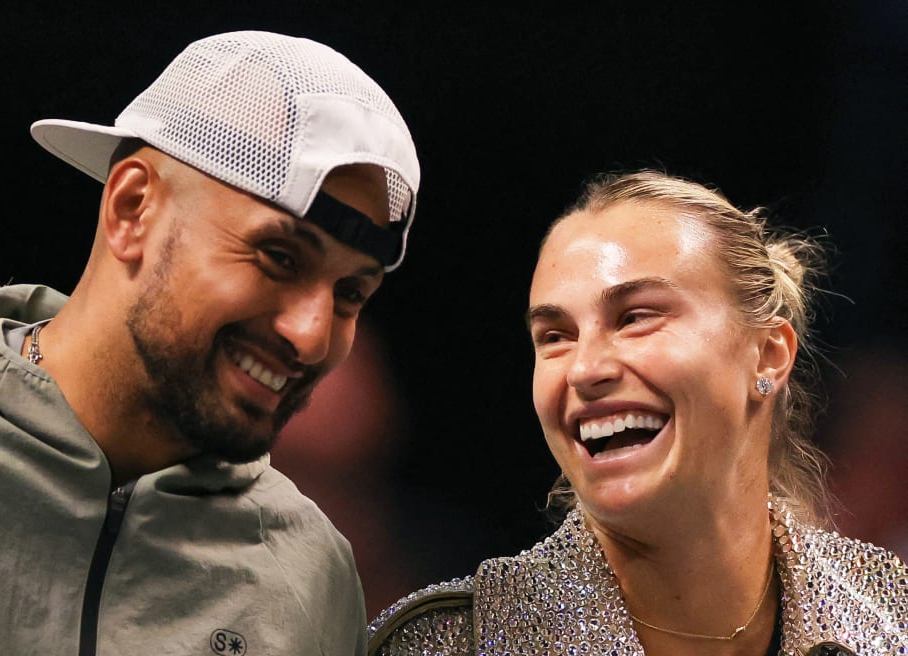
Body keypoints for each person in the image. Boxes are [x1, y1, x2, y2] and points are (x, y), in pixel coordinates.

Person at [0, 31, 419, 655]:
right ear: (133, 209)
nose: (312, 336)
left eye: (350, 295)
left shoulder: (311, 573)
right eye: (278, 257)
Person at [368, 171, 907, 655]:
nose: (583, 369)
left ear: (768, 354)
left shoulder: (893, 623)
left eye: (635, 317)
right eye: (554, 336)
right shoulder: (448, 645)